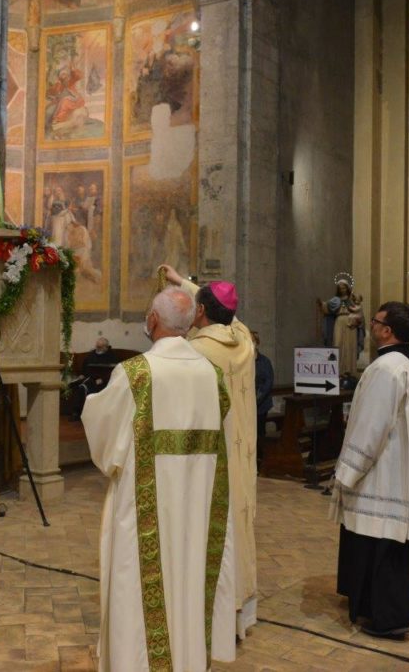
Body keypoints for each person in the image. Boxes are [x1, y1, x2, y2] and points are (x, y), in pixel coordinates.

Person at [82, 286, 236, 671]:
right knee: (189, 575)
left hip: (145, 509)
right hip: (197, 504)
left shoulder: (136, 374)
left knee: (139, 581)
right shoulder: (211, 375)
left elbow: (105, 439)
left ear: (152, 320)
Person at [159, 264, 259, 637]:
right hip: (241, 459)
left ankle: (211, 617)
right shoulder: (244, 342)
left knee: (210, 533)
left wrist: (178, 284)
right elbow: (230, 316)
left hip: (210, 460)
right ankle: (238, 613)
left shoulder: (194, 351)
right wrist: (184, 283)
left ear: (199, 311)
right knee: (237, 530)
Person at [331, 301, 409, 640]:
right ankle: (387, 608)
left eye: (375, 321)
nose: (371, 325)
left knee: (377, 545)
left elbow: (371, 427)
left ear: (387, 330)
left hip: (383, 476)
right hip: (408, 475)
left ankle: (385, 617)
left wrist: (348, 472)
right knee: (398, 547)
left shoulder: (386, 369)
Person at [318, 273, 365, 378]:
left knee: (350, 346)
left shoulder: (352, 299)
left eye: (344, 288)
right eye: (340, 288)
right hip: (339, 322)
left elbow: (359, 310)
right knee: (337, 343)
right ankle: (338, 371)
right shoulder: (335, 300)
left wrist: (358, 319)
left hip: (351, 324)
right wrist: (322, 304)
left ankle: (350, 370)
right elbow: (327, 308)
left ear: (347, 288)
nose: (342, 290)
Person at [67, 337, 118, 421]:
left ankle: (86, 414)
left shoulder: (112, 356)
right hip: (90, 378)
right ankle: (76, 412)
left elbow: (114, 371)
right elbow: (85, 367)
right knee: (79, 386)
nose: (97, 349)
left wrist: (103, 379)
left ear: (106, 347)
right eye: (97, 346)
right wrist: (82, 374)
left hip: (104, 381)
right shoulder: (91, 355)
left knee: (85, 388)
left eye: (100, 347)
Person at [253, 330, 274, 440]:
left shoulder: (264, 361)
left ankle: (261, 449)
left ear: (257, 343)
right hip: (247, 403)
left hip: (261, 404)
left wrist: (257, 399)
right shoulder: (243, 361)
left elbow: (268, 382)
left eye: (252, 341)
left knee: (260, 432)